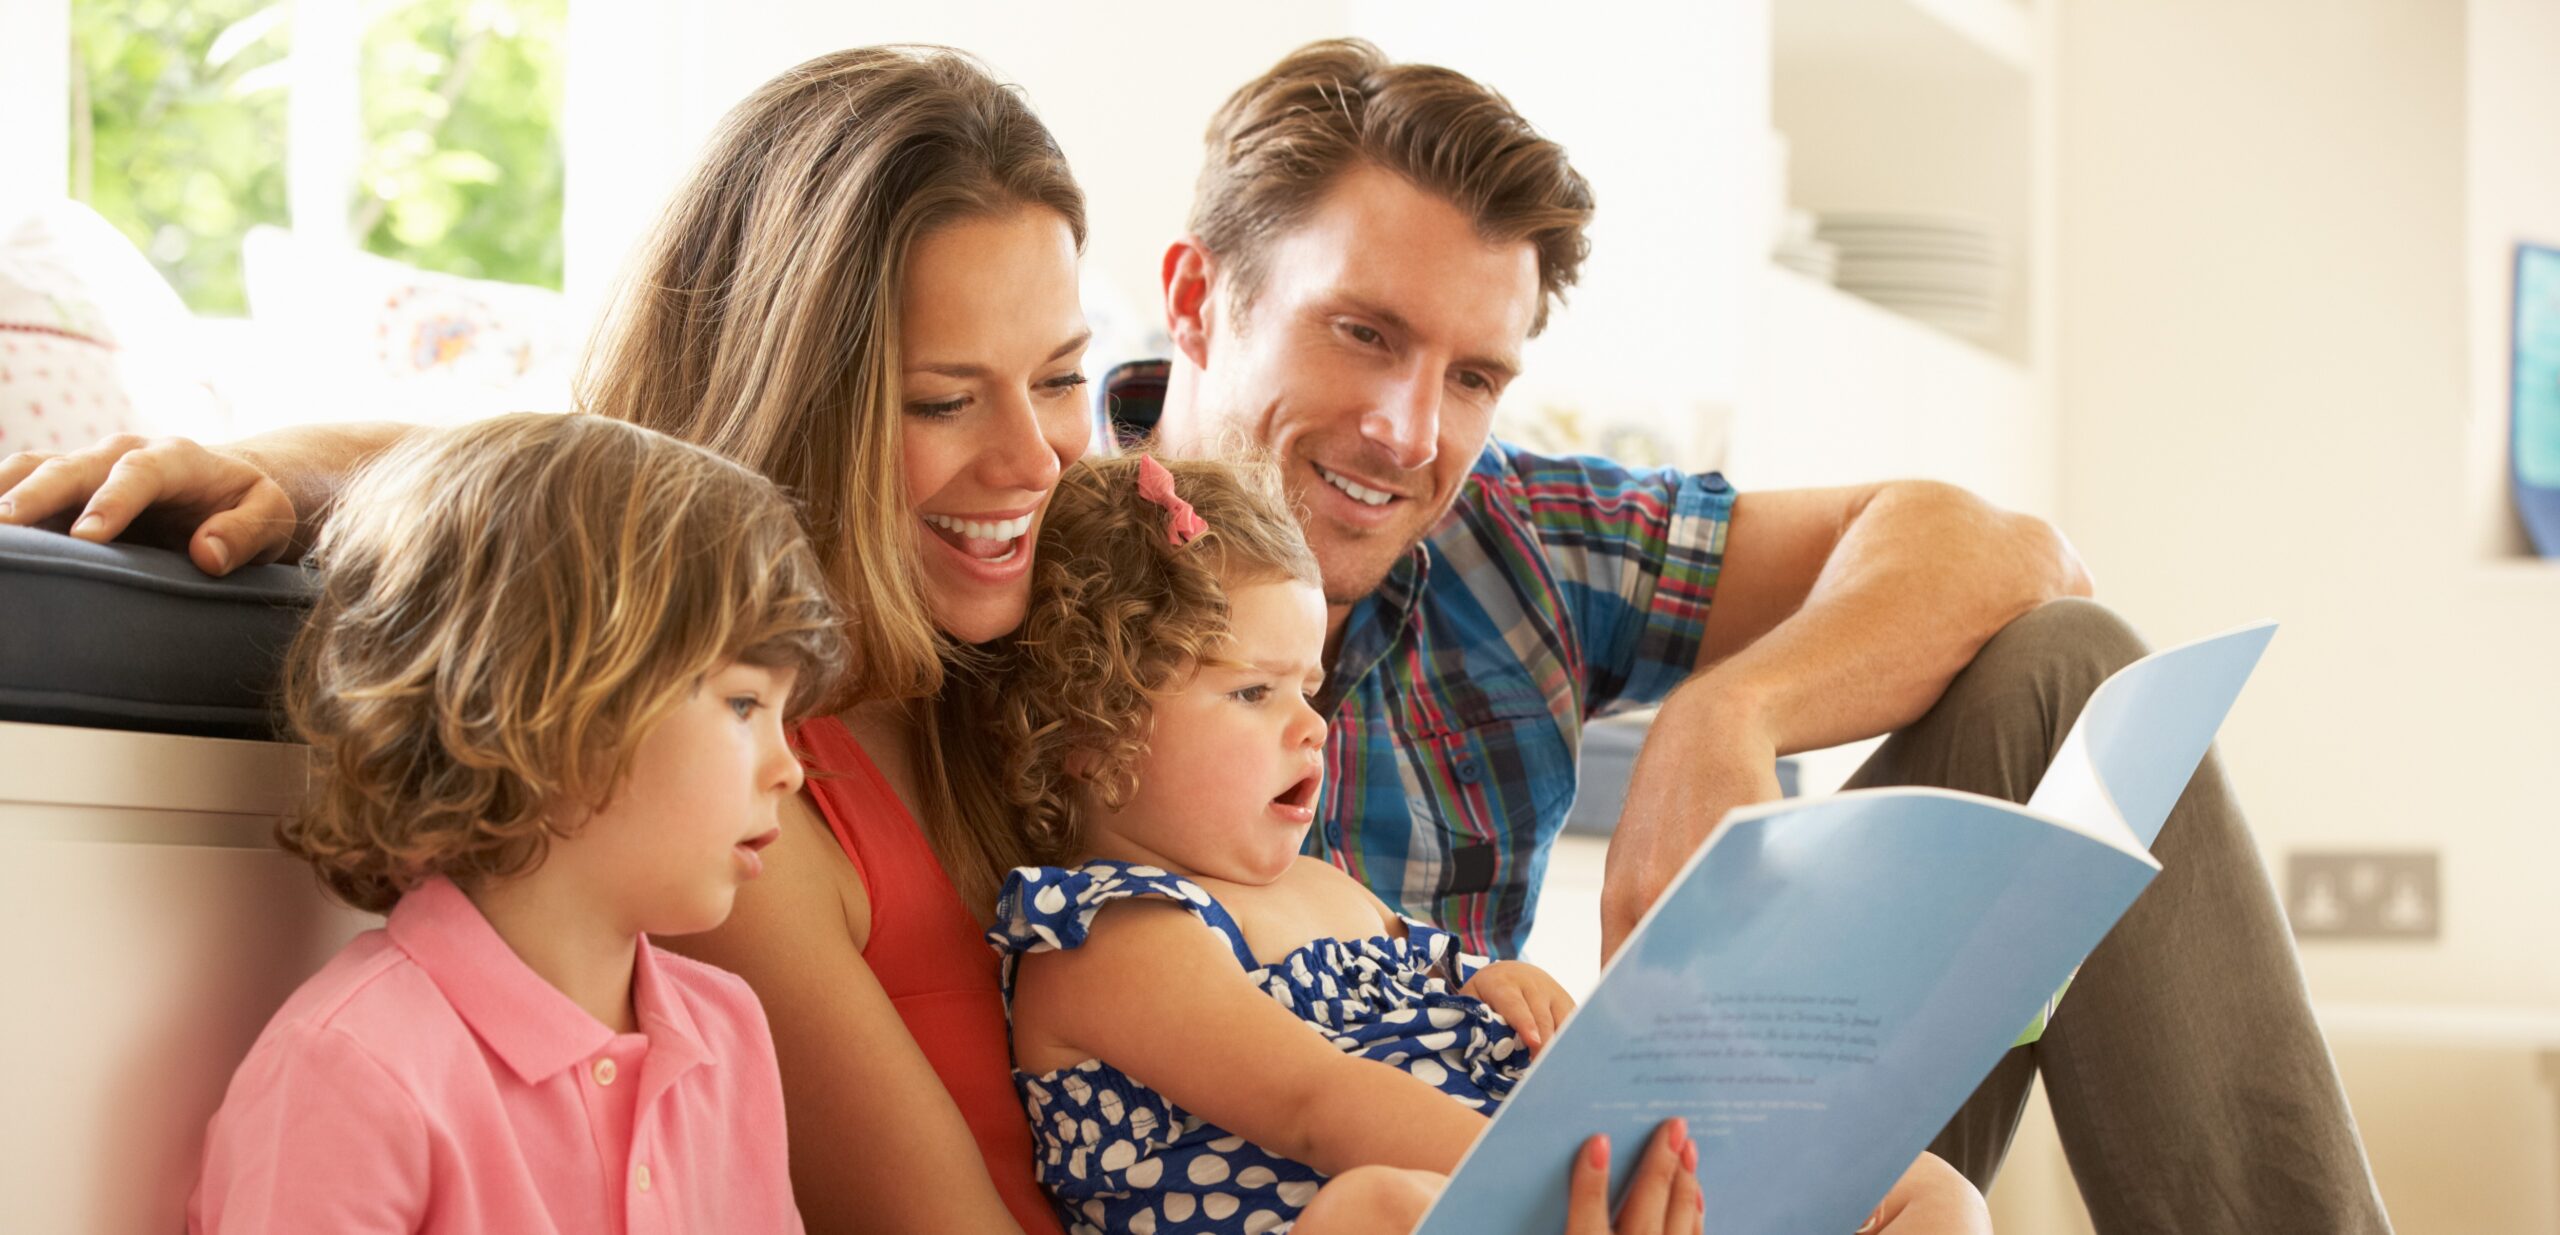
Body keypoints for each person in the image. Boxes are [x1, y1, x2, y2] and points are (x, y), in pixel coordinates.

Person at [5, 45, 1699, 1235]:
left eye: (1057, 378)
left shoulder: (1040, 650)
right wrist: (303, 472)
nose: (1038, 463)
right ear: (796, 411)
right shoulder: (732, 811)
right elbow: (608, 474)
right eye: (943, 401)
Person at [1103, 37, 2391, 1233]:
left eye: (1474, 376)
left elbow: (2010, 549)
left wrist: (1728, 712)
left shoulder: (1513, 542)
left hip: (1598, 1172)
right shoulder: (1030, 568)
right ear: (1198, 296)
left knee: (2066, 664)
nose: (1409, 428)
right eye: (1362, 332)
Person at [977, 452, 1986, 1235]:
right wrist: (1565, 1171)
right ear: (1091, 734)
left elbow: (1465, 986)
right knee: (1373, 1206)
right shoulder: (1105, 936)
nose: (1309, 725)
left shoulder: (1329, 887)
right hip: (1456, 1195)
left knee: (1919, 1181)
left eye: (1309, 688)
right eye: (1252, 692)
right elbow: (1316, 1104)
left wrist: (1513, 989)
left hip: (1539, 1182)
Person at [188, 412, 844, 1232]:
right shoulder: (348, 1068)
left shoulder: (726, 1027)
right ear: (550, 707)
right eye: (745, 703)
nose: (788, 767)